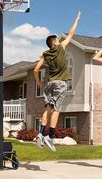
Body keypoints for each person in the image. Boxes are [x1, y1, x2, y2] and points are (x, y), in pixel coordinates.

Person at [34, 11, 81, 151]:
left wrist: (38, 82)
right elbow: (71, 34)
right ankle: (50, 136)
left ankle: (41, 133)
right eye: (58, 40)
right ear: (54, 42)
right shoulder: (60, 48)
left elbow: (35, 69)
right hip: (60, 83)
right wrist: (77, 19)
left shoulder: (45, 54)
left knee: (48, 108)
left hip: (49, 84)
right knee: (56, 110)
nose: (60, 41)